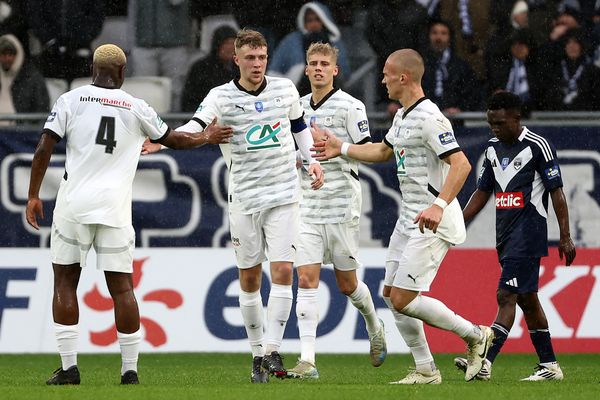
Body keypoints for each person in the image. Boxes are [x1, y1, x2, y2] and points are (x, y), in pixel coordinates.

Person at [25, 44, 233, 386]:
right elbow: (175, 140)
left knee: (65, 282)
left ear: (93, 69)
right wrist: (205, 137)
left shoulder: (71, 100)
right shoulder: (137, 107)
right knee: (122, 289)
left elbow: (44, 147)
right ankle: (130, 370)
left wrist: (34, 194)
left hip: (74, 205)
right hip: (115, 209)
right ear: (122, 73)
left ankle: (69, 368)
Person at [143, 29, 324, 383]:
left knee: (284, 271)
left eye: (262, 57)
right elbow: (194, 126)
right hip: (244, 198)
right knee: (250, 278)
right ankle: (257, 353)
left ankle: (273, 350)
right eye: (250, 58)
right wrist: (163, 143)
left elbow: (298, 124)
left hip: (284, 194)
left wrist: (311, 159)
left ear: (267, 59)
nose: (257, 64)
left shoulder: (285, 89)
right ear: (236, 60)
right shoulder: (220, 97)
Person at [312, 48, 493, 384]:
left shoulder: (430, 117)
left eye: (386, 73)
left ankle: (475, 336)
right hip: (409, 218)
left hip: (433, 219)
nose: (382, 79)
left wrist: (438, 205)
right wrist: (343, 148)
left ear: (403, 77)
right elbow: (383, 150)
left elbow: (462, 164)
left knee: (402, 298)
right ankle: (426, 369)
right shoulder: (403, 116)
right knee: (391, 295)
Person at [455, 91, 576, 381]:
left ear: (516, 118)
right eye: (491, 124)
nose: (495, 129)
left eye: (500, 123)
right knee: (527, 300)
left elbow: (556, 192)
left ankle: (484, 362)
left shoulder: (538, 146)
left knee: (505, 294)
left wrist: (565, 235)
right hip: (505, 236)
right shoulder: (493, 149)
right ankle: (549, 366)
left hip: (529, 232)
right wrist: (456, 221)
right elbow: (482, 192)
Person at [286, 42, 386, 380]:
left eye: (323, 64)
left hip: (343, 202)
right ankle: (308, 361)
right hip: (308, 205)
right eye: (312, 63)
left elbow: (371, 149)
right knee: (306, 278)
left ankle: (374, 323)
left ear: (335, 70)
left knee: (347, 284)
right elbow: (290, 152)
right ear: (306, 68)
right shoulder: (294, 108)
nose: (317, 68)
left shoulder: (351, 107)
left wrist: (338, 149)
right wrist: (299, 158)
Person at [268, 1, 351, 96]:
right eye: (309, 20)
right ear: (304, 21)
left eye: (317, 19)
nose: (314, 23)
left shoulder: (333, 42)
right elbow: (274, 70)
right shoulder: (292, 41)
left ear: (324, 20)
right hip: (298, 96)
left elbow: (344, 74)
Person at [421, 19, 481, 115]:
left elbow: (472, 95)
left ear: (450, 38)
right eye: (434, 33)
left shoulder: (461, 67)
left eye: (443, 33)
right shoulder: (419, 65)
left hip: (455, 122)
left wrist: (459, 109)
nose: (438, 38)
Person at [181, 26, 238, 112]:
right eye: (226, 43)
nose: (230, 48)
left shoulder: (241, 68)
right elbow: (190, 101)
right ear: (218, 45)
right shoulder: (201, 68)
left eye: (233, 43)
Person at [0, 34, 49, 119]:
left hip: (23, 130)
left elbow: (41, 112)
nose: (7, 59)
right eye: (3, 54)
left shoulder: (32, 79)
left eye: (11, 54)